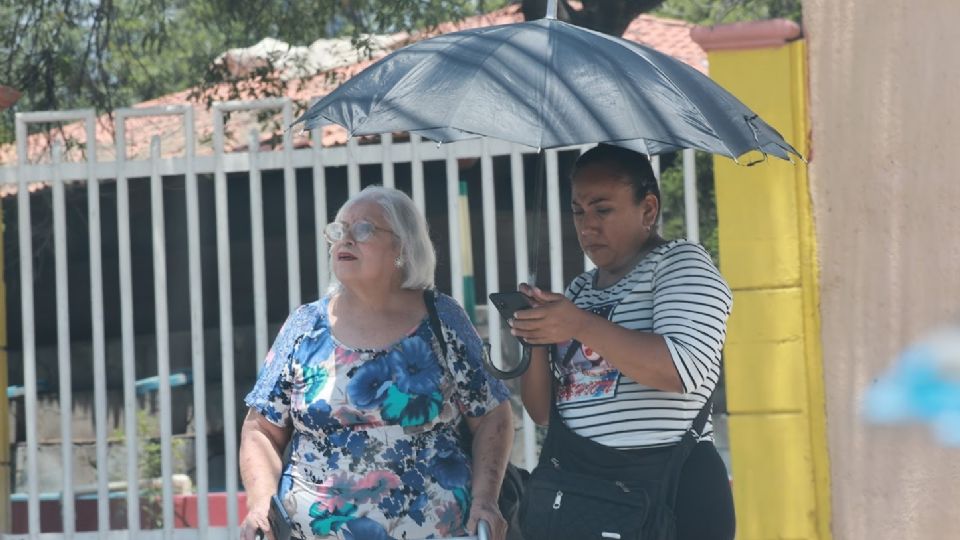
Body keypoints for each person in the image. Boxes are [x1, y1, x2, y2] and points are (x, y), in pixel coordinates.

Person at [239, 186, 514, 540]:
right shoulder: (305, 326)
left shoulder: (442, 319)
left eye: (364, 229)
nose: (346, 240)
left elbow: (492, 413)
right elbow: (260, 430)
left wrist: (486, 500)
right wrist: (261, 501)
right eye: (339, 230)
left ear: (403, 246)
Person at [511, 144, 736, 539]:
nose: (587, 227)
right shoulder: (579, 291)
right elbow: (543, 413)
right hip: (587, 494)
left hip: (673, 491)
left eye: (603, 209)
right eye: (578, 211)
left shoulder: (680, 263)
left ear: (648, 210)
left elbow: (682, 370)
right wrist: (537, 337)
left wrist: (578, 324)